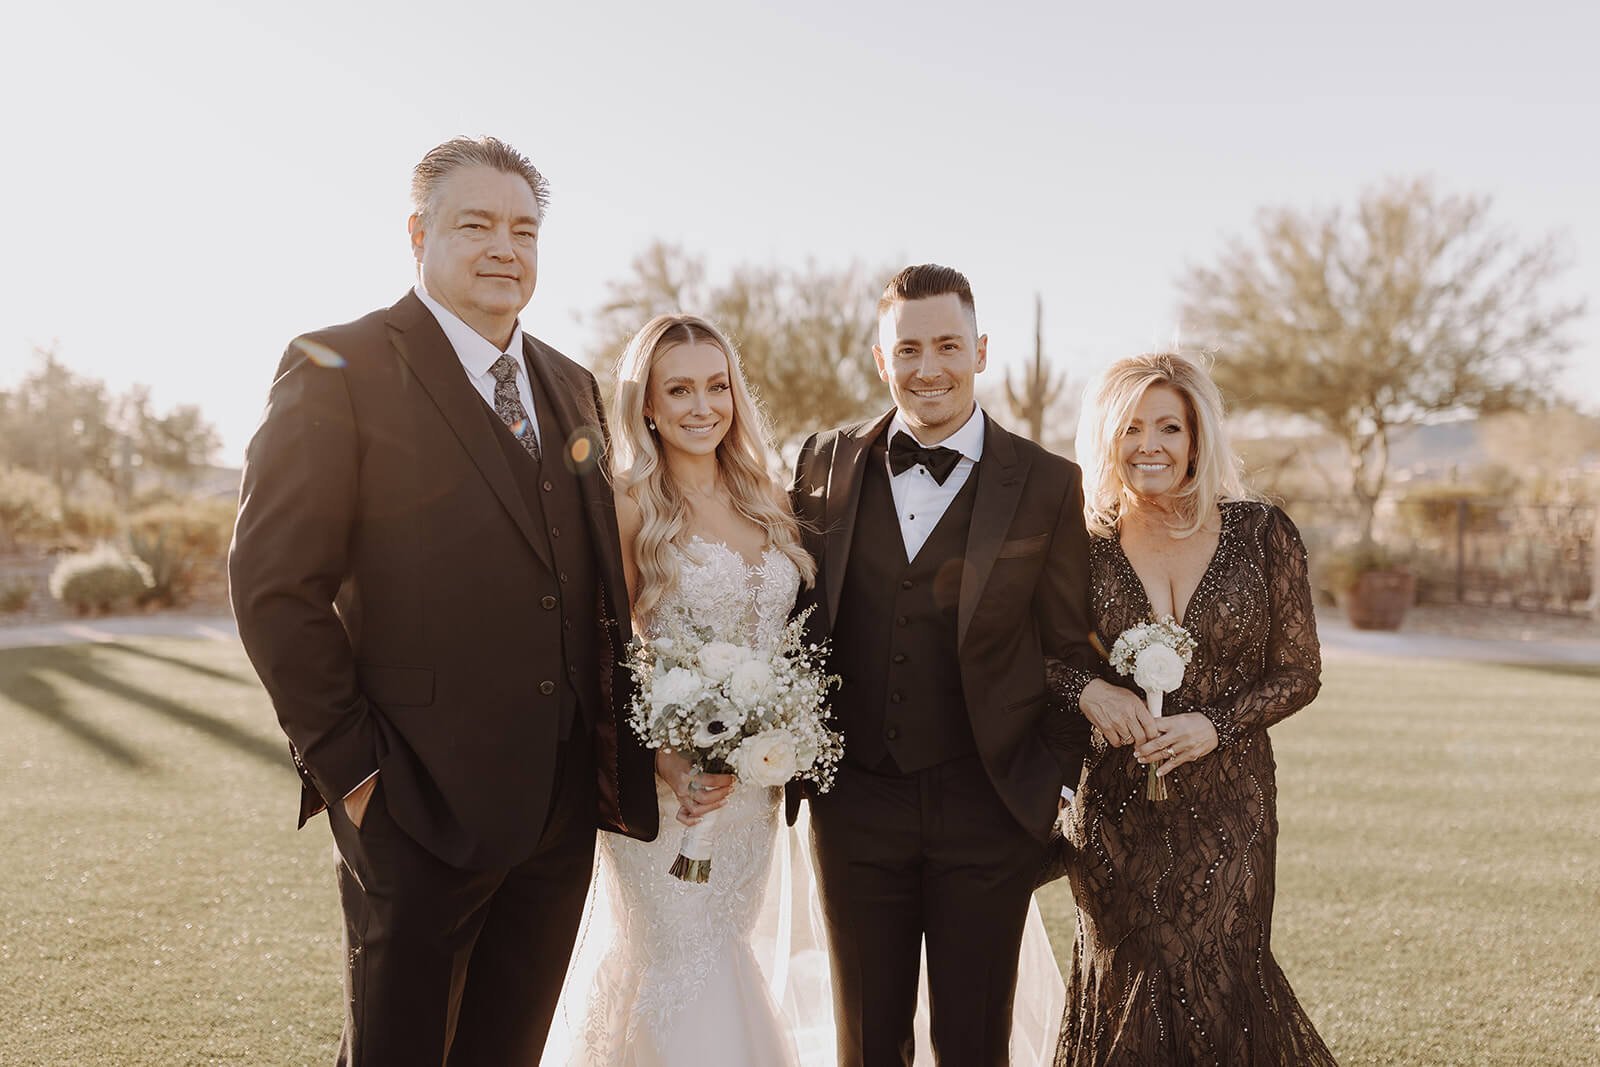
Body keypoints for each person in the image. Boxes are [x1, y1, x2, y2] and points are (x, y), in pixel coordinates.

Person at [228, 136, 657, 1066]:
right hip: (412, 806)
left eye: (524, 229)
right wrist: (355, 772)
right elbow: (272, 588)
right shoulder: (335, 368)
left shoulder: (570, 383)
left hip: (558, 810)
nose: (506, 247)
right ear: (419, 233)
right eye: (477, 224)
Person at [788, 264, 1107, 1066]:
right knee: (866, 1040)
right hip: (854, 800)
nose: (928, 367)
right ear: (879, 358)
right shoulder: (823, 462)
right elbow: (796, 619)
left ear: (981, 350)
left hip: (988, 804)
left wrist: (1052, 784)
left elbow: (1069, 647)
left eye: (947, 345)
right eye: (908, 348)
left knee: (974, 1041)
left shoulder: (1045, 482)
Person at [1044, 352, 1336, 1065]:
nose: (1151, 444)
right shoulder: (1078, 543)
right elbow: (1030, 655)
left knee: (1225, 983)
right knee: (1123, 983)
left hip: (1231, 807)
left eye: (1169, 426)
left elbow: (1300, 671)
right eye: (1132, 427)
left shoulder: (1263, 534)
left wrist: (1217, 724)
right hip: (1113, 809)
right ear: (1107, 437)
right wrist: (1089, 691)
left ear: (1197, 437)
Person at [544, 313, 816, 1065]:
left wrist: (783, 733)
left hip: (750, 795)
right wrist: (666, 760)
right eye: (681, 389)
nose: (703, 405)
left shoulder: (770, 498)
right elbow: (608, 654)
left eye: (718, 385)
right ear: (649, 405)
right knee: (676, 965)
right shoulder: (630, 504)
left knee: (725, 948)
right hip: (668, 795)